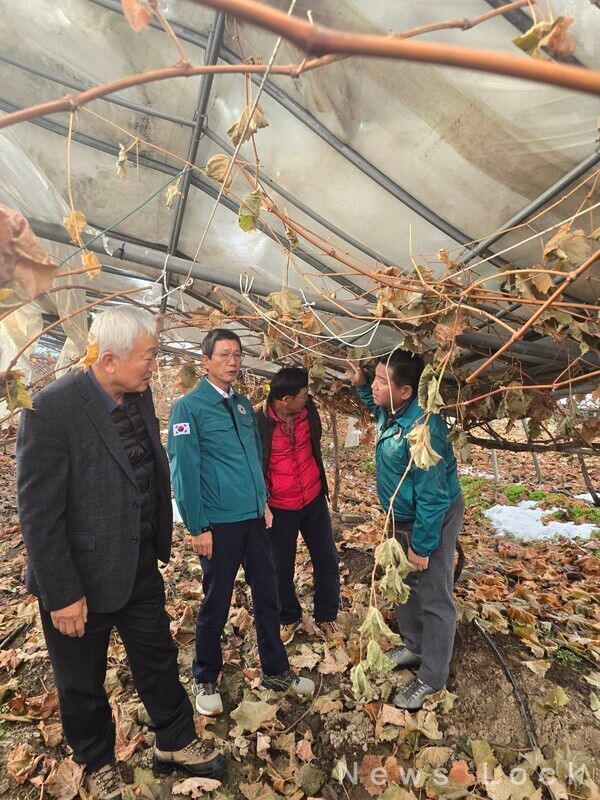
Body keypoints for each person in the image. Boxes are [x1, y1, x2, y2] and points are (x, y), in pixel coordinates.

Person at [16, 307, 225, 800]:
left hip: (136, 563)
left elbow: (146, 468)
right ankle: (96, 761)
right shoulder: (51, 410)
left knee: (156, 657)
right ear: (109, 361)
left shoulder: (136, 392)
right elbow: (39, 514)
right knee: (81, 680)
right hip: (79, 579)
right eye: (148, 355)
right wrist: (63, 593)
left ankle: (173, 740)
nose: (155, 364)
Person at [168, 330, 315, 717]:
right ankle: (205, 675)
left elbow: (253, 458)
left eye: (236, 354)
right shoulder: (189, 409)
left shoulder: (243, 406)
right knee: (217, 600)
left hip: (253, 519)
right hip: (219, 524)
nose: (232, 361)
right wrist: (196, 526)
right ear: (205, 360)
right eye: (223, 355)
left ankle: (276, 670)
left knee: (268, 595)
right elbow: (184, 471)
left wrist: (263, 502)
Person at [349, 351, 464, 711]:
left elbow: (433, 498)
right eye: (376, 378)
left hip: (432, 517)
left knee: (433, 592)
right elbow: (377, 407)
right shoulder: (394, 411)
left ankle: (432, 676)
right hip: (401, 516)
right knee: (405, 586)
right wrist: (362, 388)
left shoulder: (424, 432)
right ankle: (414, 645)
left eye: (382, 381)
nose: (375, 385)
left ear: (406, 391)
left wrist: (423, 547)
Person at [255, 367, 340, 645]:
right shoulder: (260, 422)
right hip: (280, 506)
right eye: (302, 395)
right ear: (284, 400)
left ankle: (326, 615)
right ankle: (289, 617)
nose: (308, 398)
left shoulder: (308, 411)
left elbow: (314, 443)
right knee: (280, 567)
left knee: (326, 559)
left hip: (313, 498)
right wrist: (262, 501)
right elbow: (255, 464)